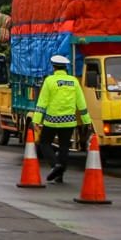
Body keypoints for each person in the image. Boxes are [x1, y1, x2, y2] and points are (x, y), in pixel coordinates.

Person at [32, 54, 91, 184]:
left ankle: (55, 165)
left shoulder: (49, 81)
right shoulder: (74, 81)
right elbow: (81, 103)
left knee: (44, 143)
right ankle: (60, 175)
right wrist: (87, 121)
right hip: (69, 120)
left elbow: (43, 102)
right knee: (64, 146)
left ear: (54, 67)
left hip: (52, 120)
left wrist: (36, 120)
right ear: (65, 67)